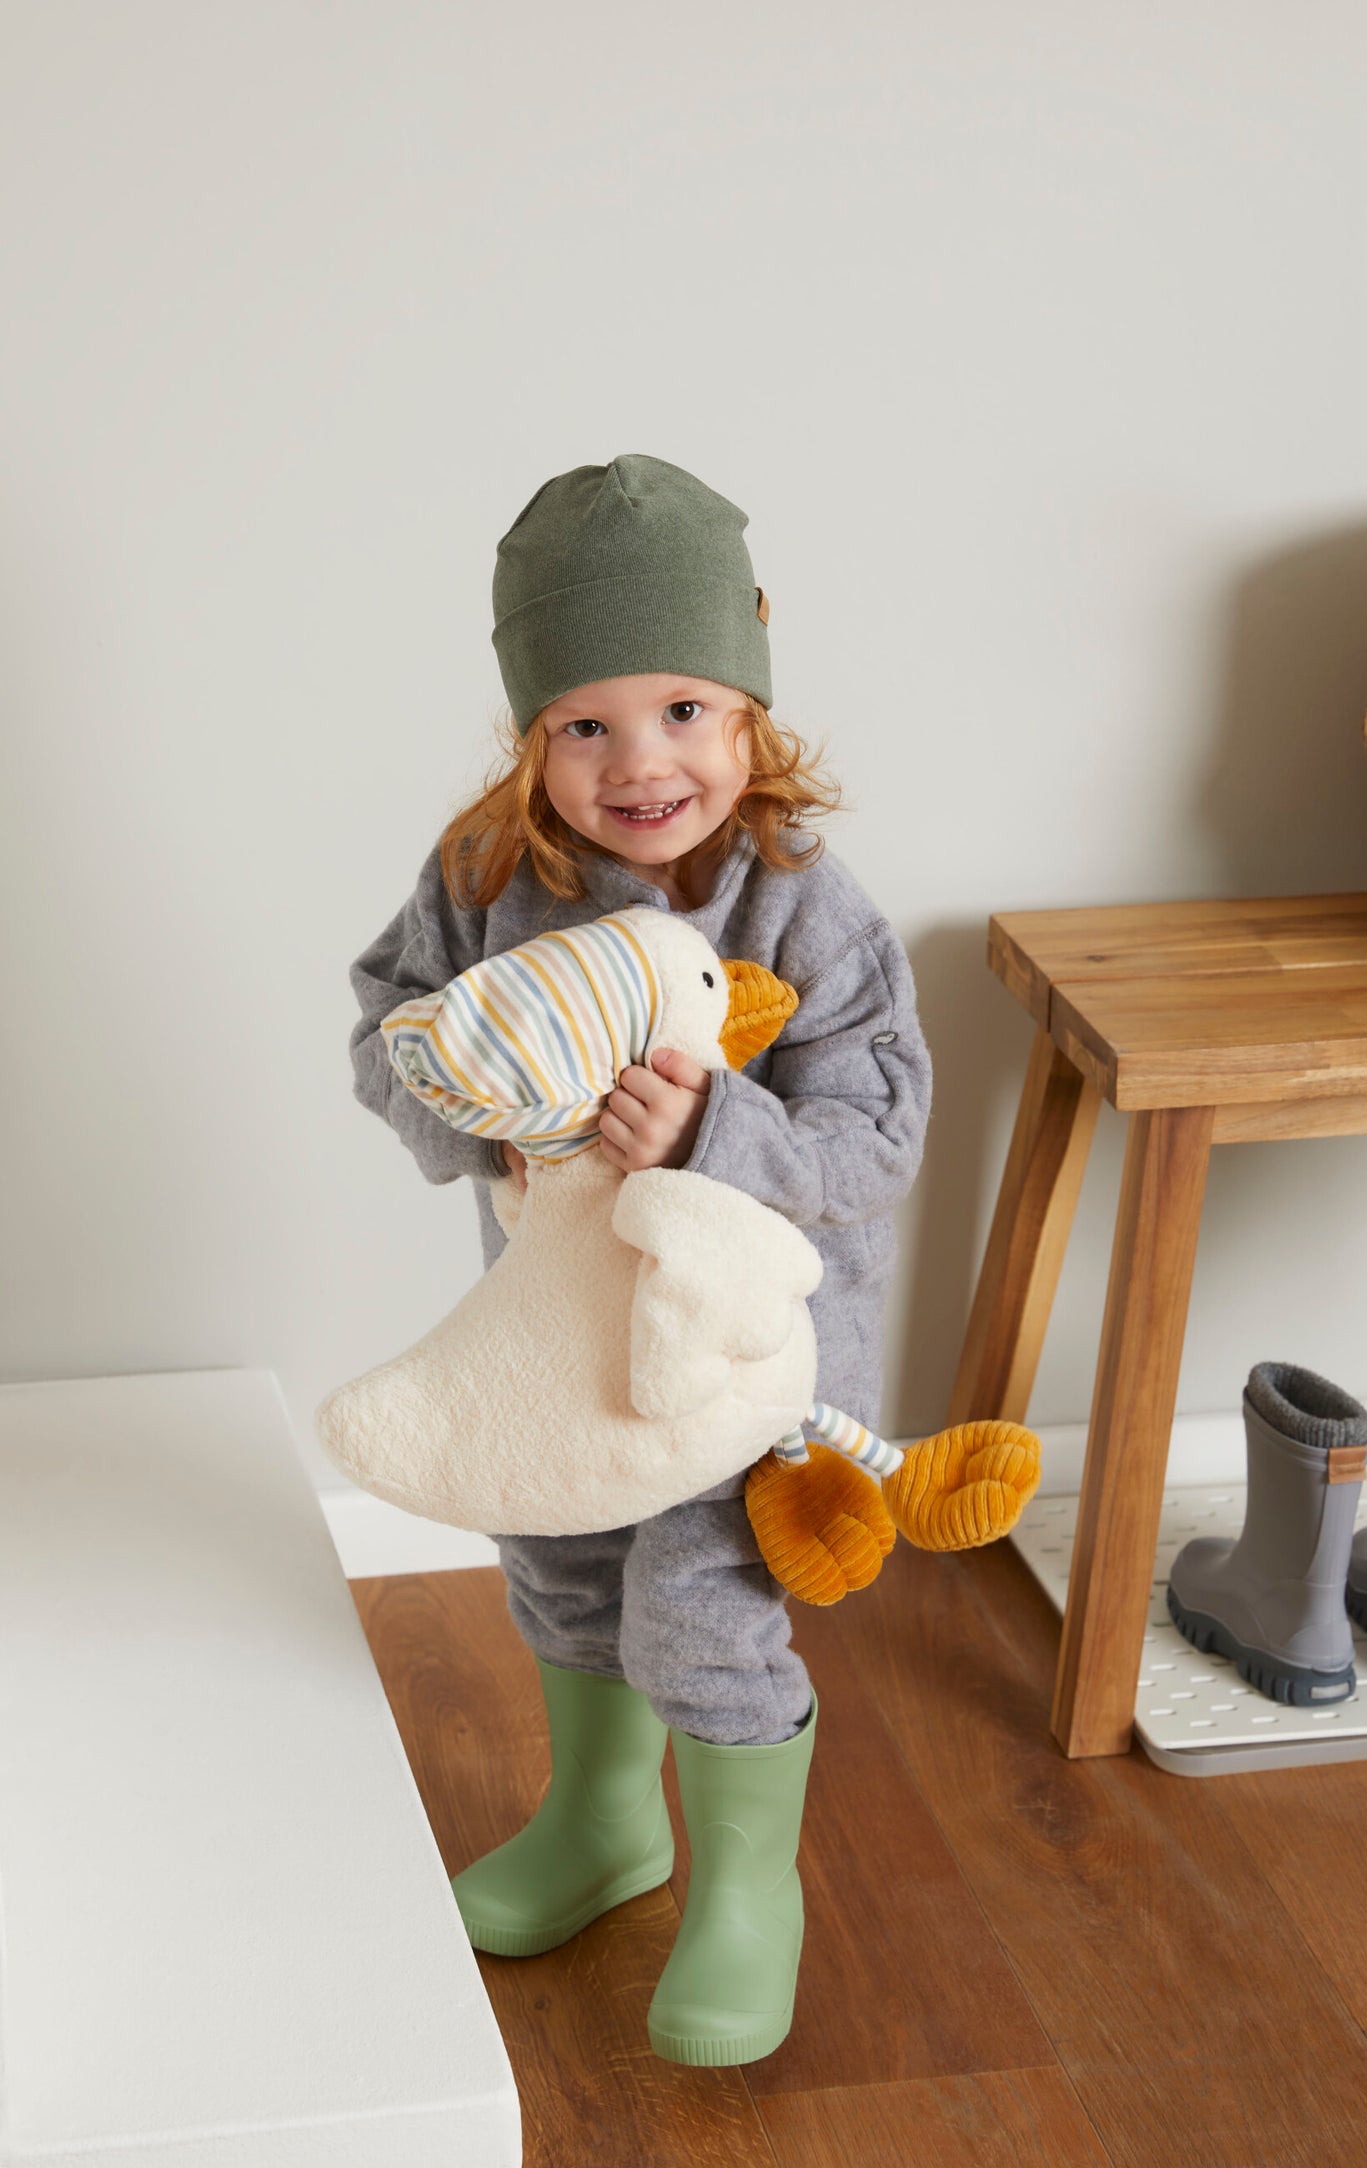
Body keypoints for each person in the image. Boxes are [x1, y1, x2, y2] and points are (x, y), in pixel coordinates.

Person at [346, 454, 932, 2067]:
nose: (640, 761)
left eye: (682, 708)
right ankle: (604, 1820)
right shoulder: (484, 881)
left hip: (738, 1365)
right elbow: (390, 1029)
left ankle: (748, 1887)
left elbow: (873, 1143)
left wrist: (710, 1132)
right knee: (563, 1568)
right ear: (529, 735)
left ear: (749, 706)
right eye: (583, 725)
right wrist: (480, 1112)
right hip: (556, 1343)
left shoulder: (804, 909)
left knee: (699, 1603)